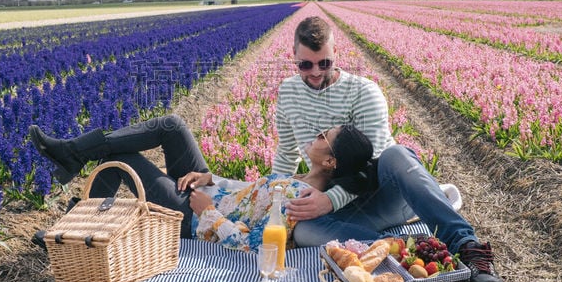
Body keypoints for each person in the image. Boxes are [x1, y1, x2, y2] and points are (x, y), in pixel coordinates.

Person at [274, 15, 505, 282]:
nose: (314, 72)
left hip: (383, 191)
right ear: (293, 57)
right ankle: (408, 251)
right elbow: (286, 154)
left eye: (324, 63)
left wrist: (330, 200)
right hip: (343, 207)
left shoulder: (363, 92)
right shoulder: (287, 92)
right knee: (305, 231)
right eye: (305, 65)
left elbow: (373, 163)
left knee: (396, 154)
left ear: (336, 54)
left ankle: (467, 247)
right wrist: (272, 196)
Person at [28, 114, 375, 252]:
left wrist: (208, 212)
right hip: (210, 190)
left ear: (330, 161)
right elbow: (252, 194)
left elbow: (252, 245)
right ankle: (73, 152)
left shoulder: (302, 199)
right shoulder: (299, 176)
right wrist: (214, 178)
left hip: (192, 215)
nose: (314, 136)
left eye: (321, 136)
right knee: (172, 126)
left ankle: (68, 235)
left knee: (118, 164)